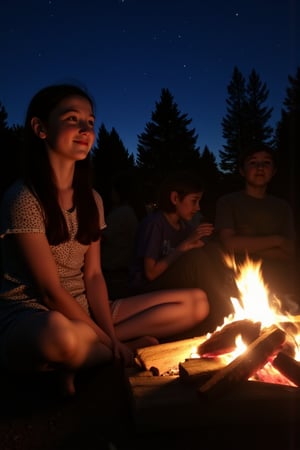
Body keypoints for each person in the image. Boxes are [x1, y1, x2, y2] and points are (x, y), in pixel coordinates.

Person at [0, 84, 210, 396]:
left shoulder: (92, 199)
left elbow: (94, 275)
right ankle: (113, 352)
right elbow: (49, 291)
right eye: (72, 119)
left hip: (85, 306)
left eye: (90, 122)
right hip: (32, 313)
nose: (85, 129)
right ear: (40, 127)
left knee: (197, 303)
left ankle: (94, 353)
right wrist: (107, 339)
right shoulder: (24, 197)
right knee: (59, 337)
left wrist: (107, 334)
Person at [128, 171, 232, 332]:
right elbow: (150, 273)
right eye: (194, 201)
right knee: (196, 259)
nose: (197, 208)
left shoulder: (184, 226)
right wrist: (184, 246)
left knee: (212, 250)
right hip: (146, 287)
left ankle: (226, 309)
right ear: (175, 198)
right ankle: (221, 315)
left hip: (171, 283)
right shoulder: (155, 224)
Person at [214, 143, 298, 313]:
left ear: (274, 171)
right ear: (242, 170)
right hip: (240, 279)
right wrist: (276, 240)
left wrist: (247, 244)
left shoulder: (282, 207)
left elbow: (290, 251)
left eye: (266, 163)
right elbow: (230, 243)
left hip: (281, 280)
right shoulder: (228, 202)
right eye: (253, 162)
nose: (260, 167)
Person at [101, 171, 147, 299]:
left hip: (115, 273)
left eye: (113, 190)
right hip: (128, 272)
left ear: (119, 192)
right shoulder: (135, 212)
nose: (111, 194)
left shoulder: (120, 214)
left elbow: (100, 239)